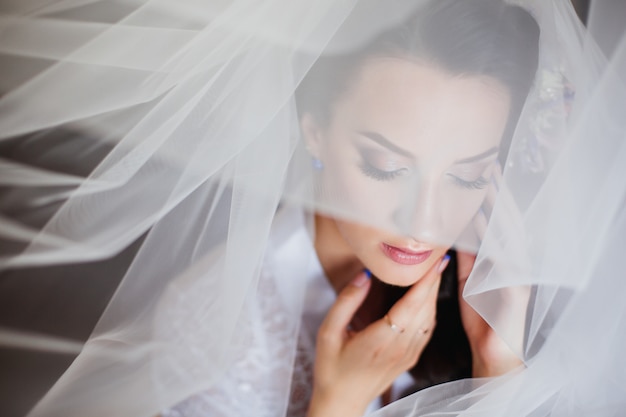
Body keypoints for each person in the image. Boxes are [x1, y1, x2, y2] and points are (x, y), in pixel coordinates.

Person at [0, 0, 625, 416]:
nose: (426, 222)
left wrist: (499, 368)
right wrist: (335, 405)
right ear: (315, 132)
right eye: (386, 166)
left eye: (466, 175)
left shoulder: (524, 306)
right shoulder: (215, 326)